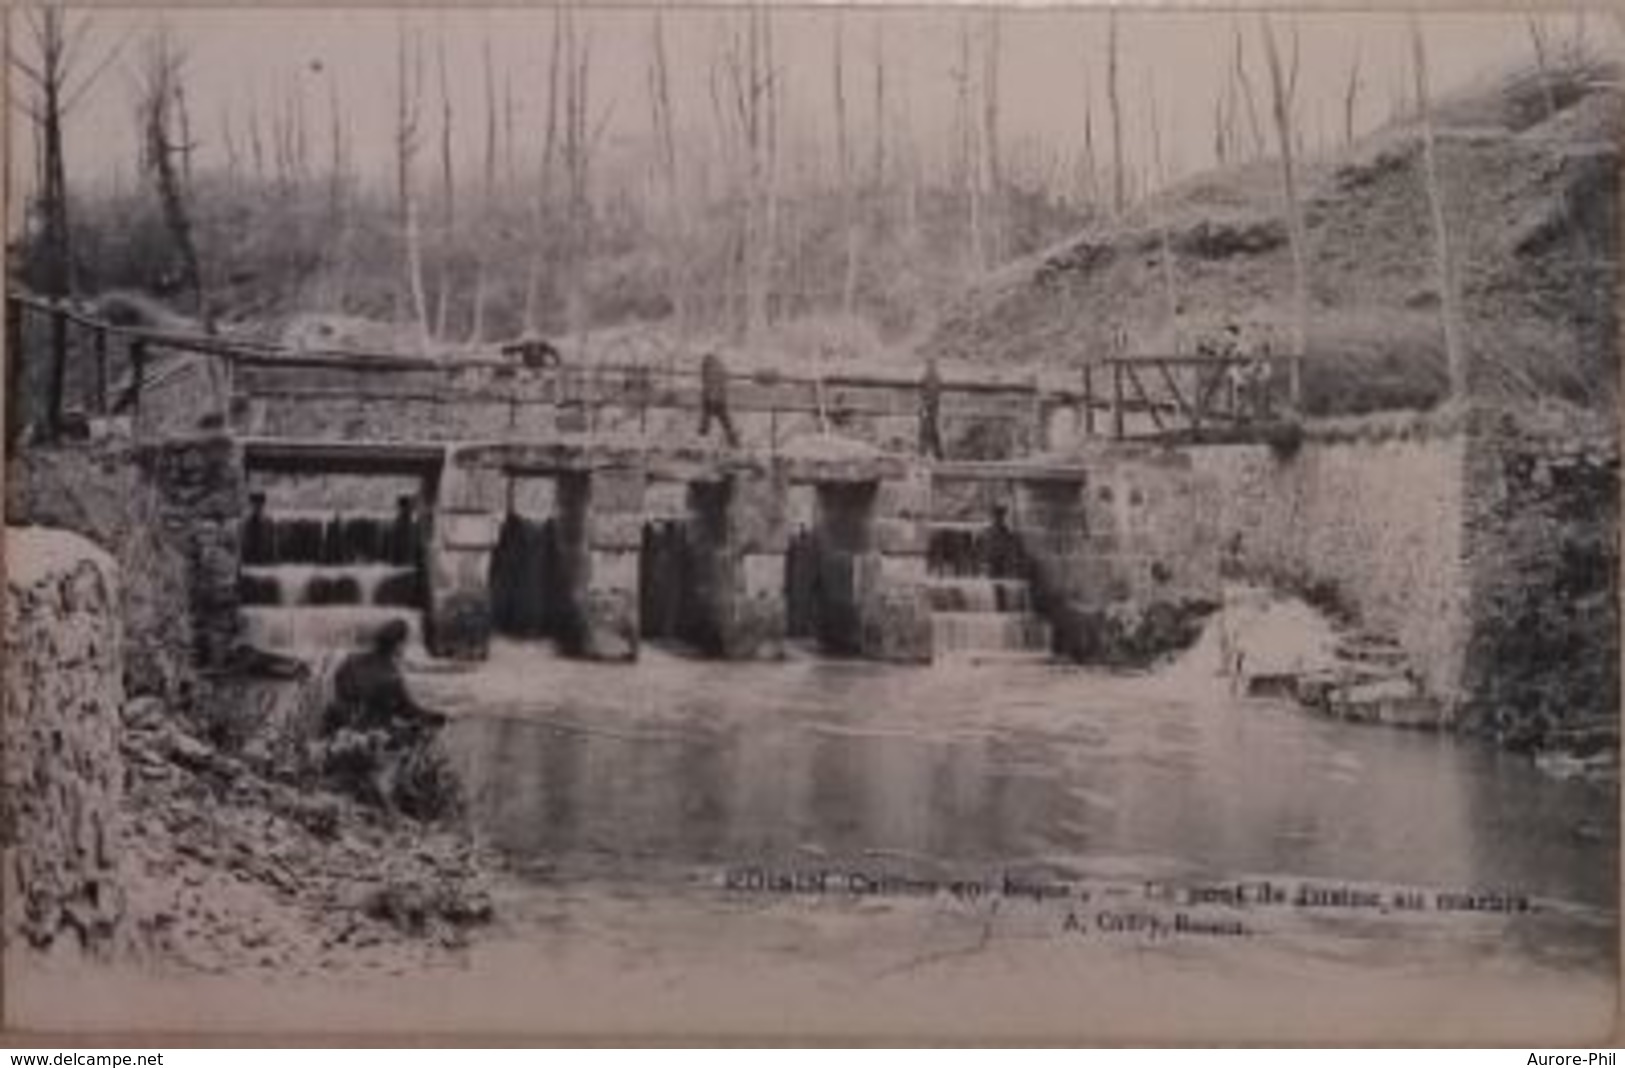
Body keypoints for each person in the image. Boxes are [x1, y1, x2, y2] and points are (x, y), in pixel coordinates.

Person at [322, 619, 454, 819]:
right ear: (398, 645)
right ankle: (402, 793)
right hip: (372, 735)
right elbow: (409, 711)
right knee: (417, 735)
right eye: (405, 643)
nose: (405, 648)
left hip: (339, 728)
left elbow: (339, 687)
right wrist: (439, 716)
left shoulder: (350, 661)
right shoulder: (391, 676)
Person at [698, 351, 740, 447]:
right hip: (717, 399)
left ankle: (733, 439)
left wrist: (712, 395)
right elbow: (711, 385)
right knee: (722, 418)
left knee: (718, 416)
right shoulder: (718, 369)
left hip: (715, 399)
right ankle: (733, 440)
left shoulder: (714, 369)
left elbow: (711, 386)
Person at [919, 357, 945, 460]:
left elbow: (929, 391)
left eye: (931, 364)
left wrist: (927, 404)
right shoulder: (933, 376)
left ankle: (928, 454)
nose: (930, 366)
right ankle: (933, 455)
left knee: (929, 432)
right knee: (929, 432)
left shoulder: (931, 376)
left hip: (930, 407)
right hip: (930, 407)